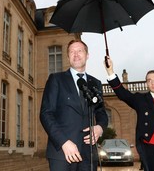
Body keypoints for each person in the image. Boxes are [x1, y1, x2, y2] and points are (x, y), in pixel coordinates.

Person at [104, 56, 154, 171]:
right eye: (149, 80)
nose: (152, 82)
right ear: (147, 83)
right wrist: (110, 71)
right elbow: (123, 94)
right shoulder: (141, 100)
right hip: (152, 150)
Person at [40, 39, 108, 171]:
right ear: (68, 57)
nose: (76, 54)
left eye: (79, 51)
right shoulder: (56, 79)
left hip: (88, 154)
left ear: (87, 55)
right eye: (72, 52)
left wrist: (100, 127)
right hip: (62, 153)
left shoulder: (95, 83)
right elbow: (46, 114)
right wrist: (64, 142)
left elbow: (101, 112)